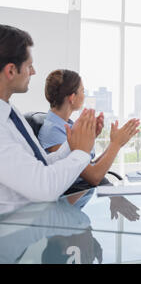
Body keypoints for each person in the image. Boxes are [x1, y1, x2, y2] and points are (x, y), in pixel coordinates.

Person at [0, 24, 97, 206]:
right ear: (11, 70)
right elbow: (44, 188)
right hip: (12, 230)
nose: (34, 72)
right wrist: (82, 151)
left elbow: (42, 164)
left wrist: (74, 142)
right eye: (29, 65)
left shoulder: (10, 113)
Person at [38, 69, 140, 188]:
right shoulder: (52, 131)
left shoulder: (69, 125)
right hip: (76, 196)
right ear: (72, 97)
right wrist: (116, 144)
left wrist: (113, 142)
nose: (84, 95)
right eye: (82, 91)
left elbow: (90, 166)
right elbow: (93, 176)